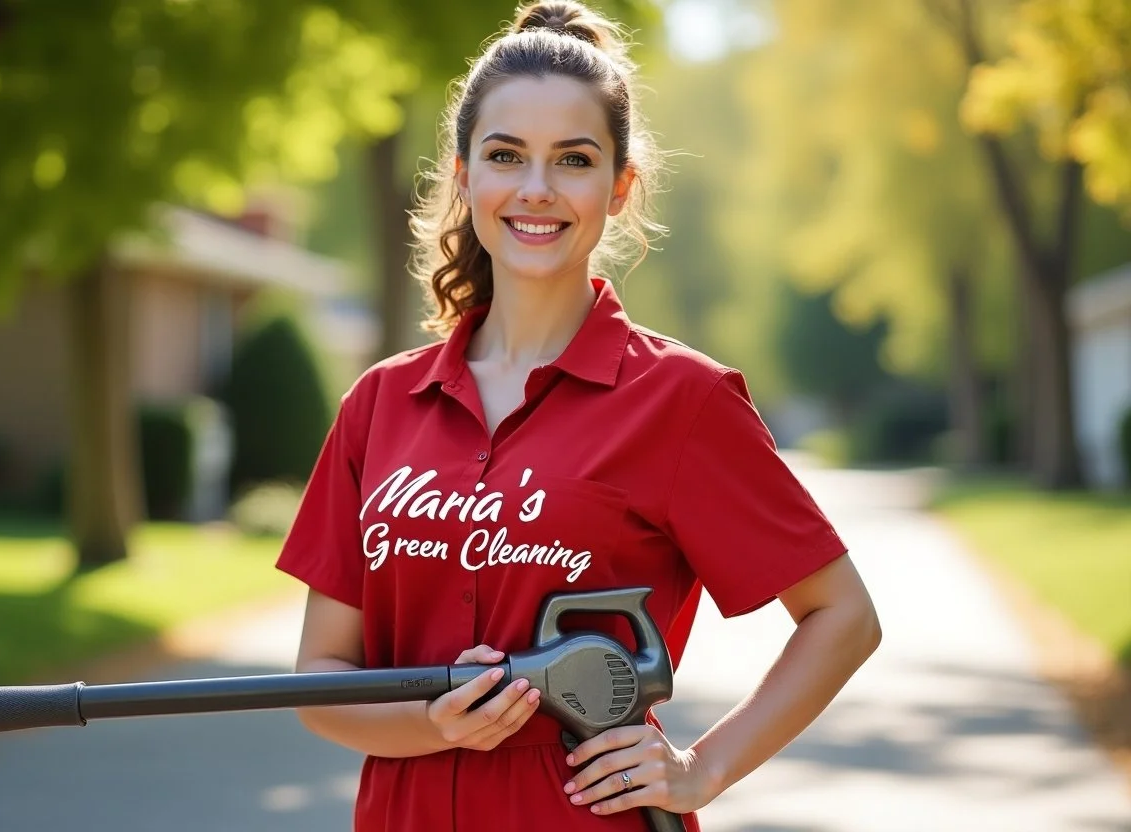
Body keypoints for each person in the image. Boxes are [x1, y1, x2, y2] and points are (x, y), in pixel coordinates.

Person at [274, 2, 881, 830]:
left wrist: (703, 768)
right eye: (505, 156)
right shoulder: (378, 406)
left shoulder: (682, 402)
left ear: (620, 186)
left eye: (573, 159)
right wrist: (429, 722)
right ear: (463, 176)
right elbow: (322, 680)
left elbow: (843, 617)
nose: (536, 189)